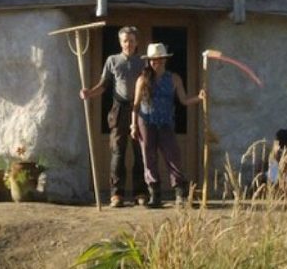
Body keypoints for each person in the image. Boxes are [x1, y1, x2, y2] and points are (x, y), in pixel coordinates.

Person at [130, 43, 205, 208]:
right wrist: (133, 125)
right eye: (152, 60)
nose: (155, 63)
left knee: (173, 156)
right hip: (146, 122)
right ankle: (155, 196)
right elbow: (135, 105)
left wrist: (198, 99)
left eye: (159, 60)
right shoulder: (142, 79)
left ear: (164, 60)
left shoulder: (174, 78)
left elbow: (184, 100)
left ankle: (180, 194)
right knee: (149, 157)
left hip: (166, 123)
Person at [80, 26, 147, 208]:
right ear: (120, 42)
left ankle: (140, 192)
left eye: (131, 41)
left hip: (140, 109)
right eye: (125, 41)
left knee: (140, 152)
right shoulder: (112, 60)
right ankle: (116, 194)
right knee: (118, 153)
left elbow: (149, 86)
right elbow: (104, 85)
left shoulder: (143, 62)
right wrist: (89, 93)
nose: (128, 44)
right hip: (119, 109)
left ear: (137, 42)